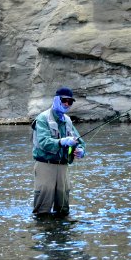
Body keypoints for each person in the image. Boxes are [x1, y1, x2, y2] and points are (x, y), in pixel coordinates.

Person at [31, 87, 87, 217]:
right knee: (42, 209)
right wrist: (63, 142)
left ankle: (62, 233)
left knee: (63, 208)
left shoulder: (67, 120)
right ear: (56, 100)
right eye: (64, 100)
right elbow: (44, 142)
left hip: (63, 166)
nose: (67, 104)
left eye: (70, 102)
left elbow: (80, 142)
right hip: (45, 165)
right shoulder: (43, 118)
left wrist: (81, 151)